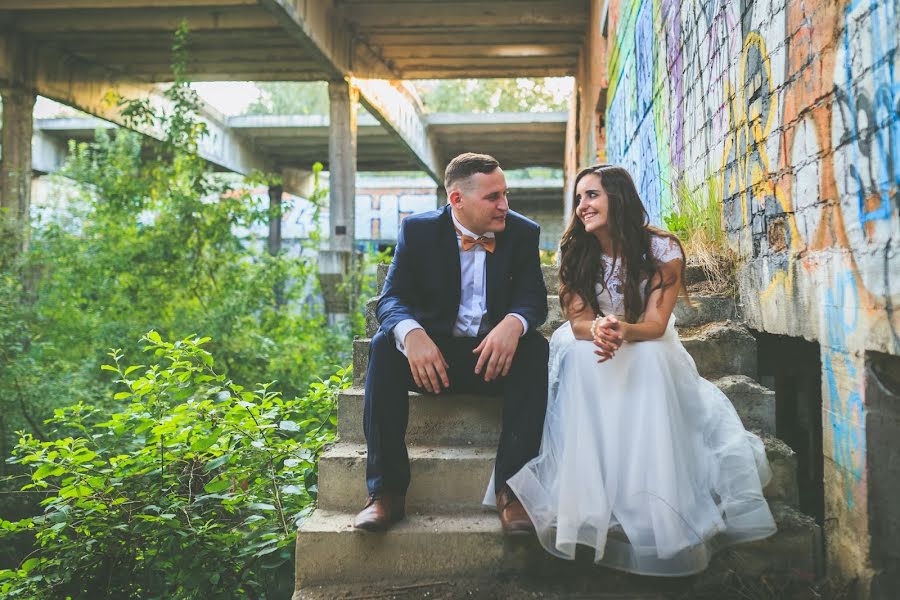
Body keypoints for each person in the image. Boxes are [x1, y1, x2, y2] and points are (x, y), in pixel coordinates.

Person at [488, 165, 777, 575]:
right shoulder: (574, 250)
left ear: (617, 198)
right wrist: (603, 329)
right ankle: (591, 491)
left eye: (592, 196)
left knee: (650, 357)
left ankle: (650, 494)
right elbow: (577, 323)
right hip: (591, 335)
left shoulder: (662, 248)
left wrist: (622, 329)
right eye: (579, 198)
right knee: (580, 356)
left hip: (645, 334)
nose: (582, 207)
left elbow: (656, 325)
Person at [355, 152, 549, 534]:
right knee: (382, 346)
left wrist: (514, 323)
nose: (504, 205)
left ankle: (511, 493)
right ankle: (386, 493)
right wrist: (412, 335)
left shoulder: (523, 232)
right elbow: (390, 299)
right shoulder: (418, 231)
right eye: (493, 197)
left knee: (536, 349)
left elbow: (534, 299)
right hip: (433, 362)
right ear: (456, 199)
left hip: (492, 361)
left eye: (505, 194)